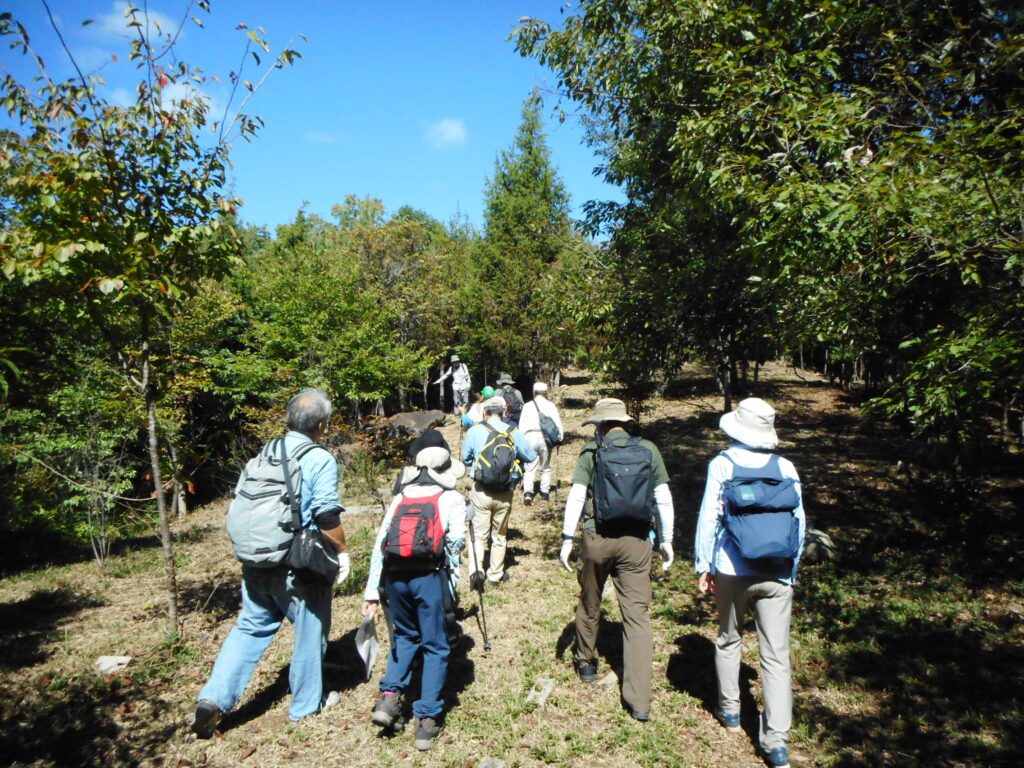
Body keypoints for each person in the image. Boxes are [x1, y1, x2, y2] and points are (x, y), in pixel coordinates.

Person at [192, 388, 350, 737]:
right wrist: (342, 552)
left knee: (250, 627)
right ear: (322, 425)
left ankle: (214, 698)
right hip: (296, 564)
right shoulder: (318, 457)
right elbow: (325, 513)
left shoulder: (265, 453)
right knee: (310, 631)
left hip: (254, 561)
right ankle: (306, 705)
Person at [694, 397, 806, 768]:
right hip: (777, 571)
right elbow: (799, 523)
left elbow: (709, 517)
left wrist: (703, 565)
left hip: (731, 568)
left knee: (728, 639)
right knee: (776, 657)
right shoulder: (786, 466)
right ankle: (776, 743)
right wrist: (792, 567)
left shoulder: (723, 464)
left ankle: (729, 712)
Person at [558, 398, 674, 722]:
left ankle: (586, 663)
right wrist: (667, 541)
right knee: (636, 616)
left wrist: (568, 538)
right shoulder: (649, 449)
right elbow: (663, 498)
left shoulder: (591, 452)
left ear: (600, 425)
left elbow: (578, 496)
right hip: (637, 541)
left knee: (590, 601)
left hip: (597, 539)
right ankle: (640, 701)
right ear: (624, 422)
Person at [363, 430, 467, 752]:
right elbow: (456, 543)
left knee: (406, 637)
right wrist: (452, 582)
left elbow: (381, 545)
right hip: (429, 578)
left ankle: (390, 699)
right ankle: (426, 720)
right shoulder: (451, 498)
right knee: (436, 645)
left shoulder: (400, 498)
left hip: (396, 579)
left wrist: (371, 591)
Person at [461, 395, 536, 588]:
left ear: (484, 413)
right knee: (499, 535)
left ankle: (476, 572)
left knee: (478, 534)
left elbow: (466, 459)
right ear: (503, 413)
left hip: (481, 490)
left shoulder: (475, 430)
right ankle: (495, 576)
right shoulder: (513, 431)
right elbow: (530, 455)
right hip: (505, 491)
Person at [518, 381, 564, 504]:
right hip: (545, 438)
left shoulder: (527, 405)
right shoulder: (550, 405)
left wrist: (521, 441)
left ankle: (528, 493)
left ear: (534, 392)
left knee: (529, 467)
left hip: (529, 436)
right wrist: (560, 438)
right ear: (545, 392)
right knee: (545, 466)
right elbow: (557, 424)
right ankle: (544, 493)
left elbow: (521, 425)